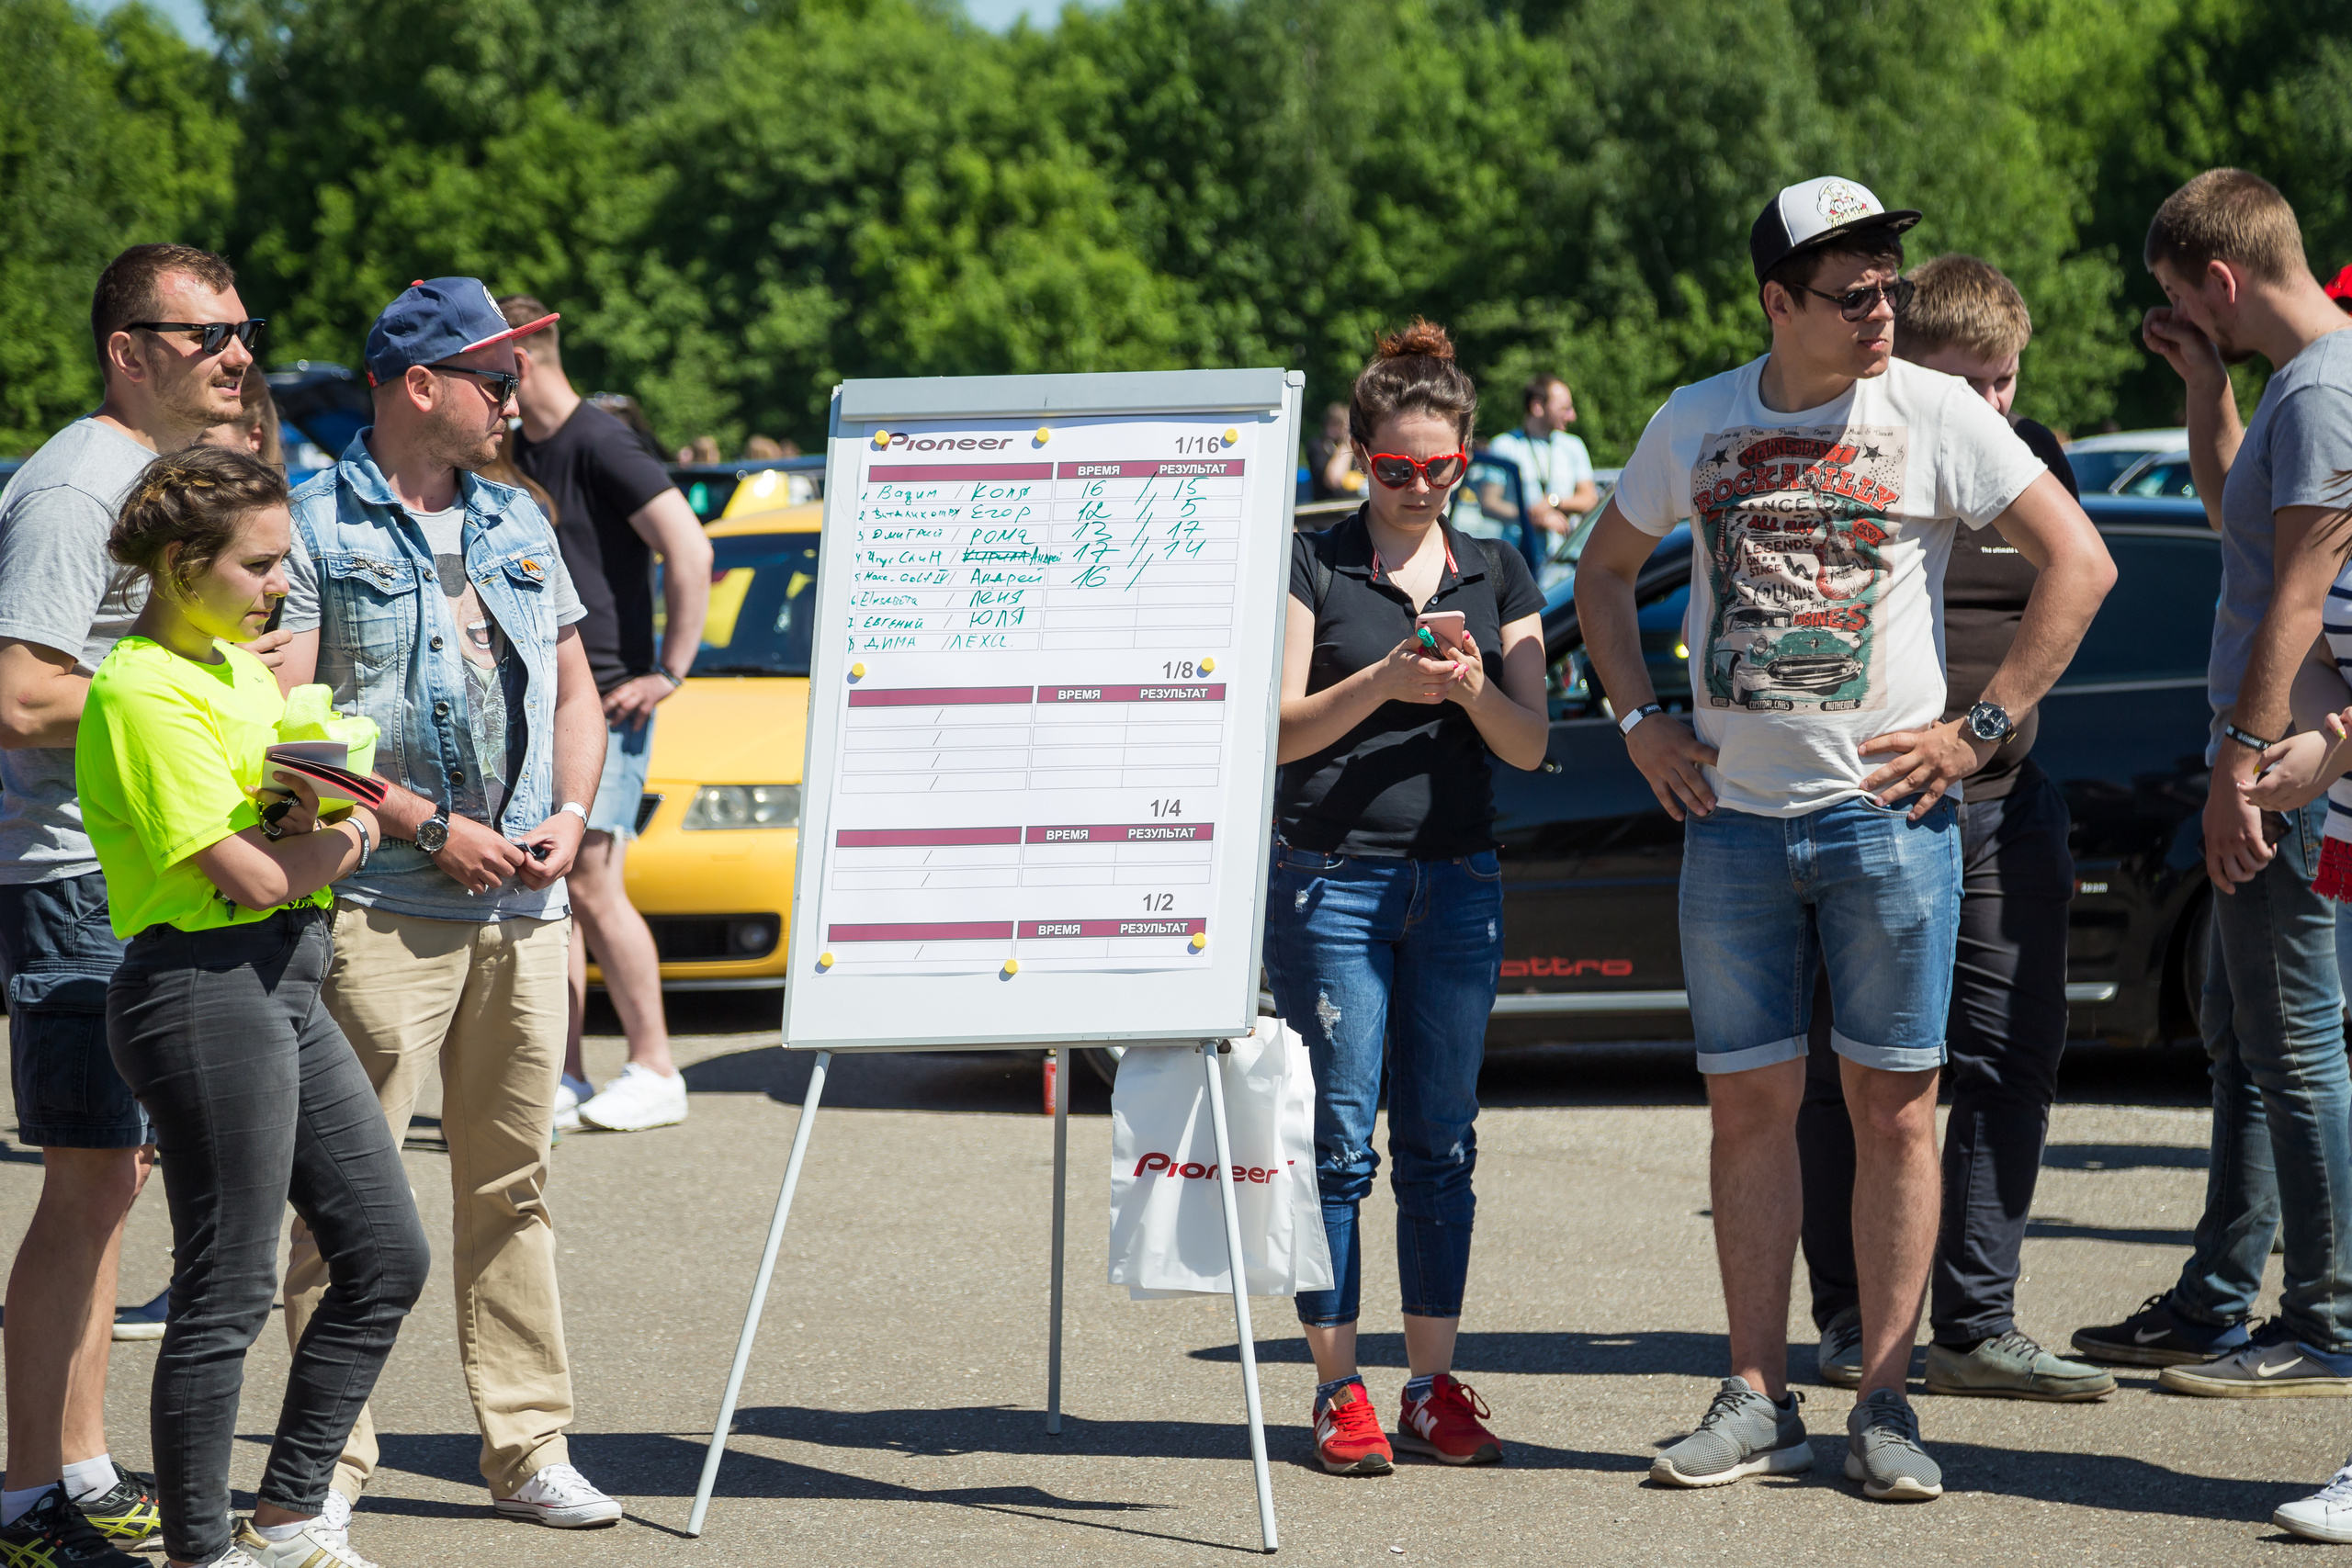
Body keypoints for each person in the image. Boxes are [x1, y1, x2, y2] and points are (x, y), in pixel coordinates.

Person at [1576, 176, 2111, 1502]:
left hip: (1891, 822)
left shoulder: (1932, 411)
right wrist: (1640, 718)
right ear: (1777, 302)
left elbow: (2081, 561)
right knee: (1750, 1109)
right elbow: (1598, 571)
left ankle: (1885, 1399)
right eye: (1852, 290)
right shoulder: (1697, 419)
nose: (1883, 308)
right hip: (1736, 826)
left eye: (1888, 283)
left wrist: (1980, 726)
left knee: (1897, 1111)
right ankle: (1758, 1394)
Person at [270, 277, 624, 1542]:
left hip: (527, 915)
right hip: (380, 902)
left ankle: (529, 1445)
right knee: (348, 1198)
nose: (516, 395)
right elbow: (288, 739)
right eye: (495, 377)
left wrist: (572, 821)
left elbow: (579, 690)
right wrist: (427, 822)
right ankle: (324, 1466)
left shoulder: (519, 515)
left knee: (513, 1184)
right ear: (420, 385)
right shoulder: (309, 527)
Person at [79, 444, 428, 1568]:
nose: (283, 586)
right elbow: (261, 876)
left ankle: (284, 1517)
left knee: (385, 1252)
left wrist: (321, 795)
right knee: (226, 1289)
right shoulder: (140, 688)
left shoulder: (239, 668)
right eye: (263, 564)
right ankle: (199, 1550)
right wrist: (361, 829)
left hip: (282, 977)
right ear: (185, 565)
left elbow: (289, 829)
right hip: (198, 989)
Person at [0, 243, 279, 1565]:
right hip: (69, 872)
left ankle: (83, 1463)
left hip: (143, 870)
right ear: (128, 348)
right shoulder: (73, 487)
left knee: (113, 1179)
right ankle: (22, 1495)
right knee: (88, 1180)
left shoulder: (164, 484)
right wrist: (177, 691)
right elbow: (18, 694)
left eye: (242, 326)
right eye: (204, 332)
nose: (237, 351)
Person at [1795, 254, 2115, 1403]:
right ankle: (1847, 1319)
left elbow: (2080, 590)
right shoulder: (1855, 450)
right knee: (1858, 1077)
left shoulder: (2037, 466)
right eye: (1969, 384)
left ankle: (1975, 1323)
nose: (1994, 411)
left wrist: (1980, 730)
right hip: (1871, 807)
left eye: (2009, 383)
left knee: (2010, 1060)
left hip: (2002, 807)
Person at [2065, 171, 2352, 1404]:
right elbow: (2241, 518)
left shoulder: (2331, 389)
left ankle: (2328, 1316)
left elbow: (2299, 585)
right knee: (2248, 1038)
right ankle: (2223, 1294)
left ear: (2222, 278)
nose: (2185, 310)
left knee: (2293, 1043)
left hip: (2286, 762)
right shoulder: (2301, 384)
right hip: (2283, 747)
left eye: (2187, 298)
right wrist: (2201, 383)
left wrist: (2245, 761)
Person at [1269, 320, 1550, 1476]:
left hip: (1459, 877)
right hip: (1332, 876)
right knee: (1337, 1144)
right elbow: (1278, 735)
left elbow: (1530, 747)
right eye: (1396, 468)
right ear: (1357, 457)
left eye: (1442, 468)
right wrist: (1384, 678)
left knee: (1440, 1143)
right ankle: (1339, 1393)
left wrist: (1474, 687)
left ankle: (1433, 1385)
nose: (1420, 487)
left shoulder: (1500, 569)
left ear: (1467, 457)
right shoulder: (1314, 561)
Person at [501, 293, 713, 1133]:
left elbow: (689, 545)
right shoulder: (525, 447)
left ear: (522, 353)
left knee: (591, 878)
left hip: (614, 693)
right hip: (558, 696)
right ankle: (569, 1073)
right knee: (561, 886)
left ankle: (656, 1065)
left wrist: (671, 669)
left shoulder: (598, 439)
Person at [1482, 374, 1598, 535]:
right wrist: (1533, 517)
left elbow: (1590, 499)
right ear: (1538, 406)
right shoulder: (1503, 446)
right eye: (1564, 409)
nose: (1572, 416)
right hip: (1518, 554)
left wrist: (1553, 502)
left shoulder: (1574, 445)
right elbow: (1489, 504)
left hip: (1560, 556)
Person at [1304, 402, 1366, 502]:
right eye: (1335, 423)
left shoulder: (1356, 450)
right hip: (1330, 510)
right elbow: (1333, 480)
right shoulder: (1317, 446)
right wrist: (1346, 444)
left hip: (1355, 506)